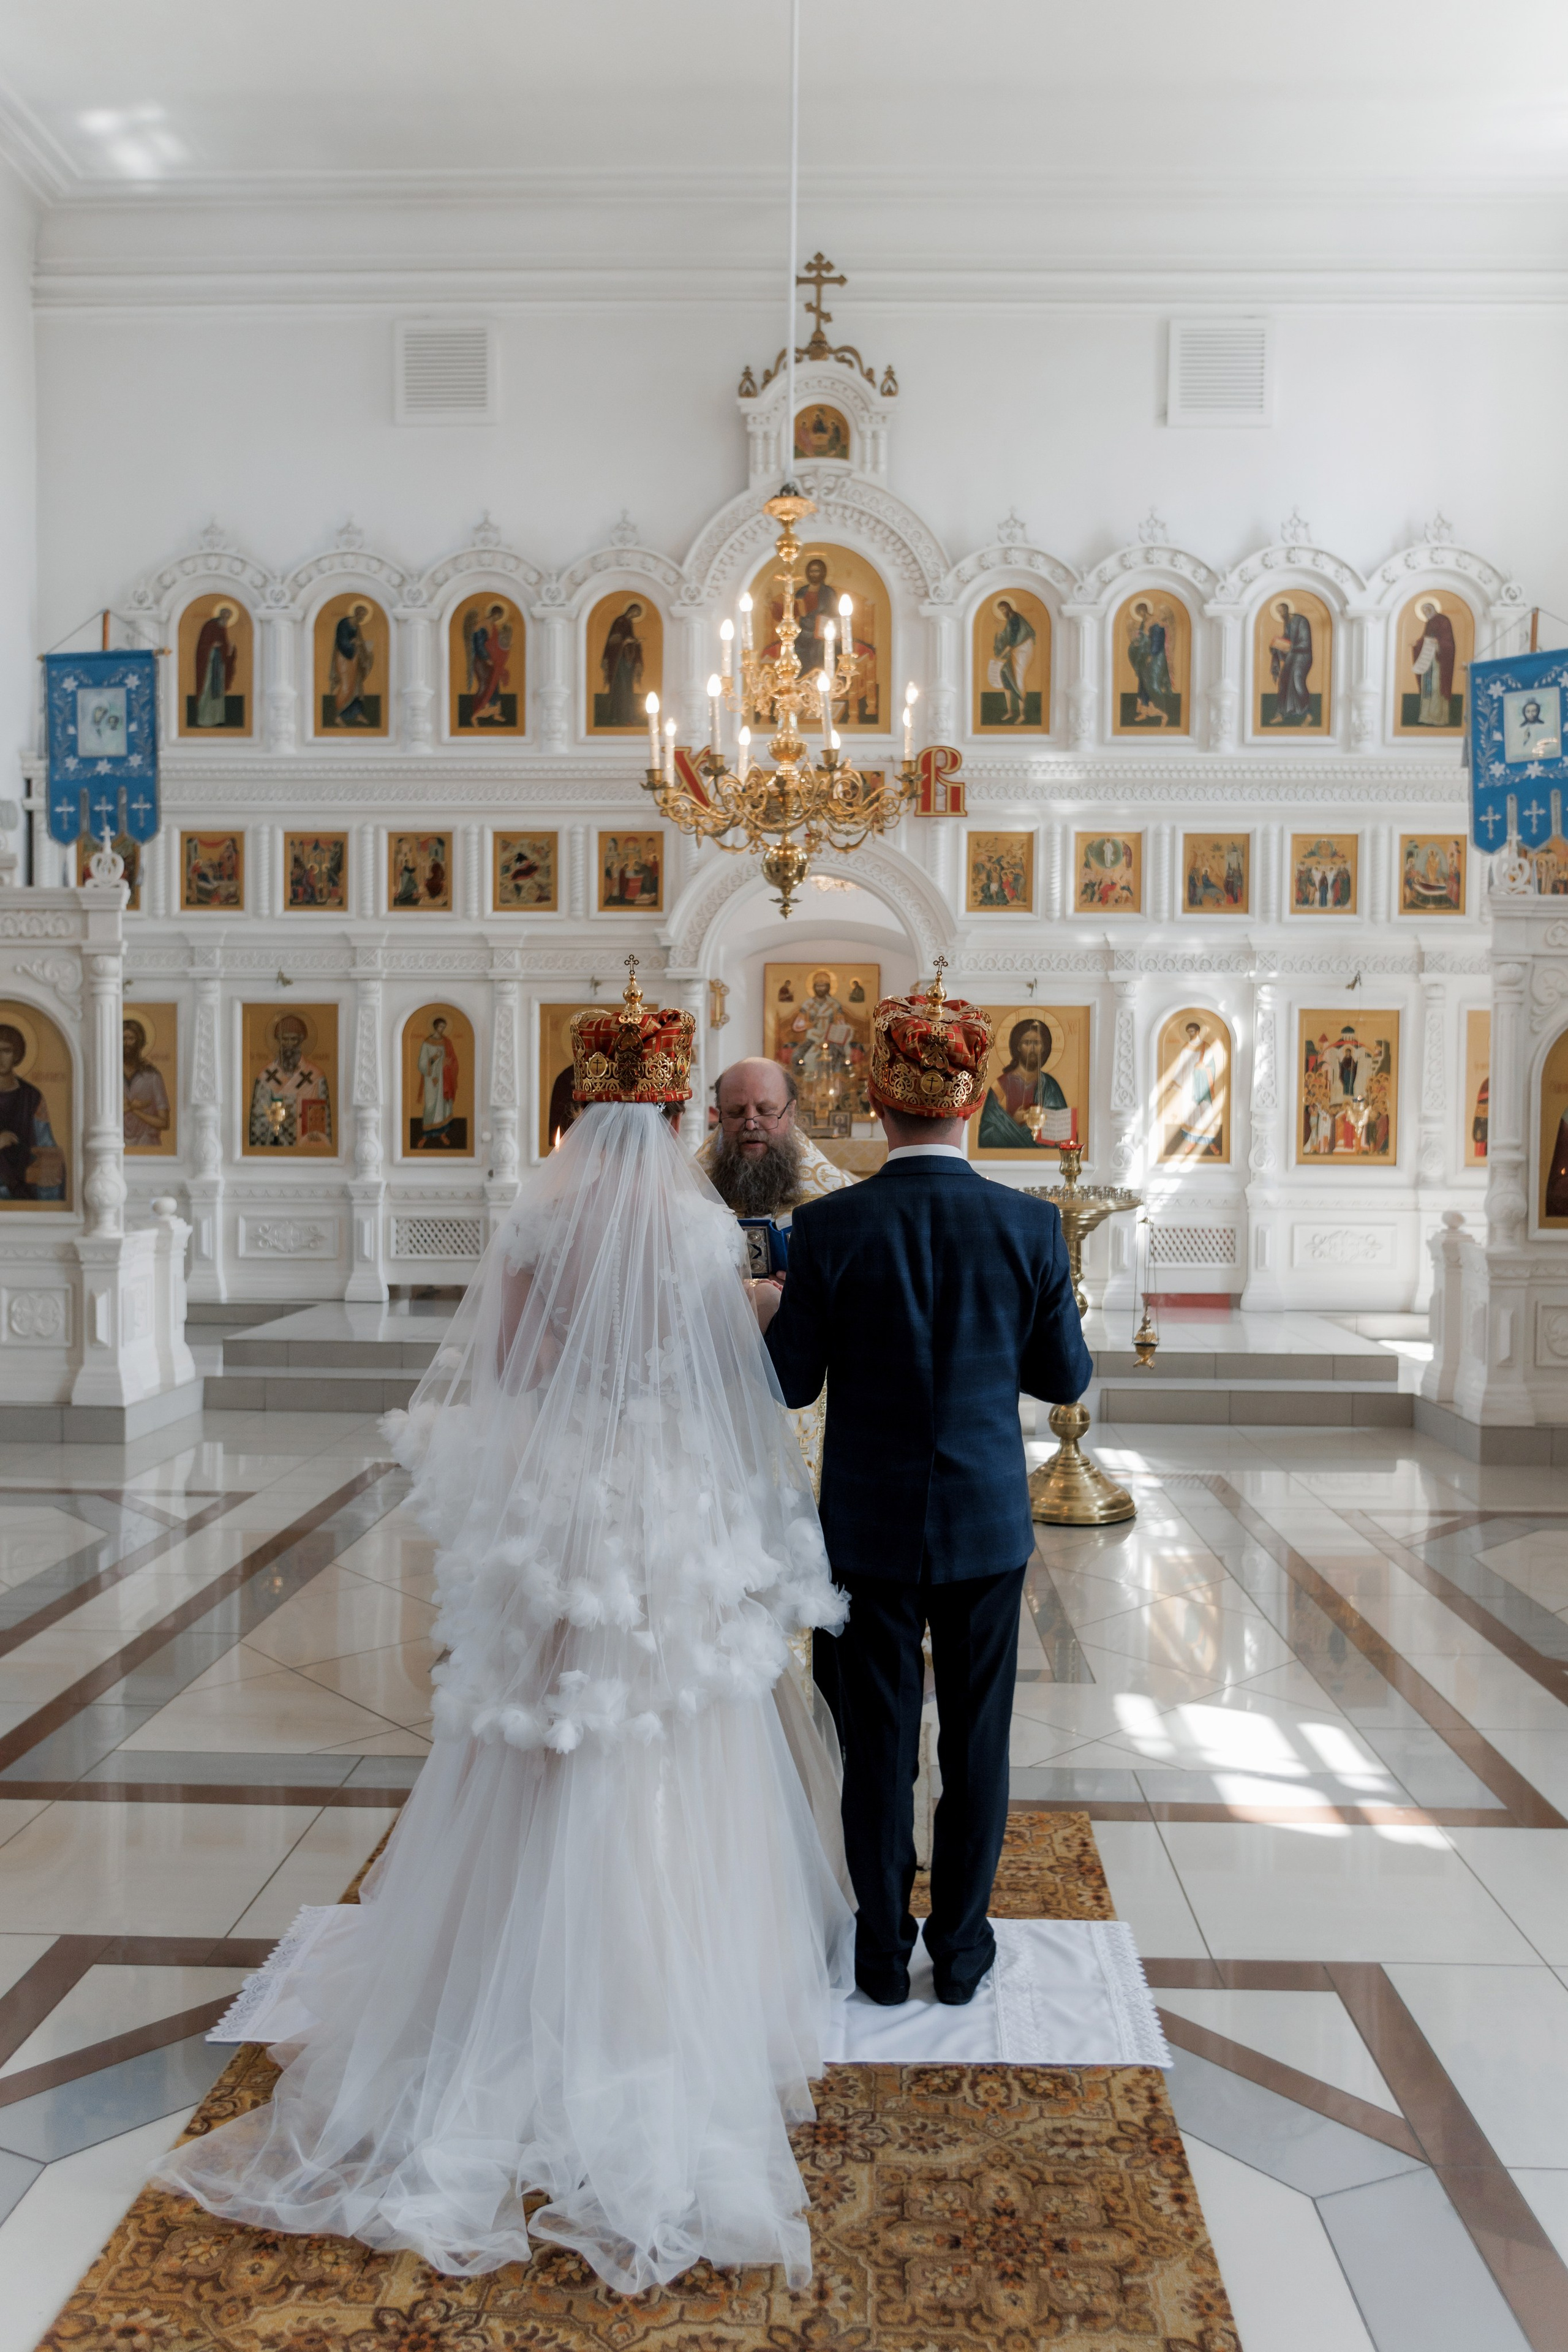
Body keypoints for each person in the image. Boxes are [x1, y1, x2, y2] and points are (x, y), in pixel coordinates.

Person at [157, 964, 853, 2289]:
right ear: (667, 1112)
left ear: (587, 1102)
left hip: (561, 1507)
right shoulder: (699, 1224)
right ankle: (652, 1998)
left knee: (536, 1733)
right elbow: (728, 1380)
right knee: (664, 1733)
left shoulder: (536, 1212)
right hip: (662, 1508)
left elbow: (515, 1371)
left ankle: (492, 1988)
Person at [758, 963, 1092, 2009]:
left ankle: (875, 1953)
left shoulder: (828, 1230)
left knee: (878, 1744)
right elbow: (1063, 1378)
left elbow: (793, 1382)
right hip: (988, 1525)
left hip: (864, 1521)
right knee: (979, 1736)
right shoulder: (1032, 1228)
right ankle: (959, 1951)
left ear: (876, 1093)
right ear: (974, 1093)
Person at [696, 1055, 853, 1219]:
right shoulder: (691, 1190)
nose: (750, 1125)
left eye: (765, 1110)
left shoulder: (833, 1195)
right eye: (735, 1113)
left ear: (791, 1113)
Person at [976, 1015, 1067, 1149]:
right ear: (1018, 1046)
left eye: (1037, 1043)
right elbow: (987, 1134)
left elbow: (1063, 1133)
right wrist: (1013, 1122)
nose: (1032, 1048)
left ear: (1044, 1048)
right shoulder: (1000, 1086)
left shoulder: (1050, 1086)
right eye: (1027, 1043)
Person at [247, 1013, 332, 1149]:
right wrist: (277, 1135)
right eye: (284, 1039)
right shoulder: (265, 1077)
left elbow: (322, 1125)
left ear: (301, 1041)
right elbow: (258, 1122)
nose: (289, 1045)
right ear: (278, 1041)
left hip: (306, 1149)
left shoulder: (316, 1077)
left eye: (294, 1040)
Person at [0, 1023, 65, 1200]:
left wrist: (51, 1164)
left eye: (6, 1051)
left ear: (16, 1055)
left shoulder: (32, 1097)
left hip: (22, 1179)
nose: (0, 1057)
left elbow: (45, 1143)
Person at [122, 1017, 170, 1150]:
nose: (126, 1043)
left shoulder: (153, 1077)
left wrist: (134, 1110)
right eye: (122, 1039)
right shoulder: (110, 1075)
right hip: (117, 1144)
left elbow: (164, 1122)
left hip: (147, 1144)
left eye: (131, 1038)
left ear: (140, 1042)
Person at [415, 1015, 458, 1147]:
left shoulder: (447, 1042)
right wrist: (435, 1057)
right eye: (440, 1027)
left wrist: (448, 1064)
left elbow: (454, 1061)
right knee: (430, 1106)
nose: (442, 1029)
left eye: (444, 1027)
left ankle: (443, 1134)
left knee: (444, 1107)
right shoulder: (427, 1043)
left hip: (445, 1079)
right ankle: (426, 1136)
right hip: (431, 1079)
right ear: (435, 1027)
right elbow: (421, 1064)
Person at [328, 603, 375, 726]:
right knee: (347, 685)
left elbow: (359, 642)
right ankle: (338, 716)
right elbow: (341, 641)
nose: (362, 618)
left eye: (364, 616)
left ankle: (358, 714)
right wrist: (352, 643)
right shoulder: (344, 623)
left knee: (357, 685)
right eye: (361, 615)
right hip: (344, 657)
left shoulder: (357, 626)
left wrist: (365, 650)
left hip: (355, 657)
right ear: (356, 613)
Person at [192, 603, 236, 728]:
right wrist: (212, 646)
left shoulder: (223, 627)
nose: (226, 619)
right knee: (208, 689)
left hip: (219, 664)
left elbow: (224, 647)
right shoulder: (211, 625)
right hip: (210, 664)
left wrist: (231, 650)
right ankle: (204, 719)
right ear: (221, 614)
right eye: (225, 615)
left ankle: (217, 718)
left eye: (229, 617)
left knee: (219, 690)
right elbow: (203, 645)